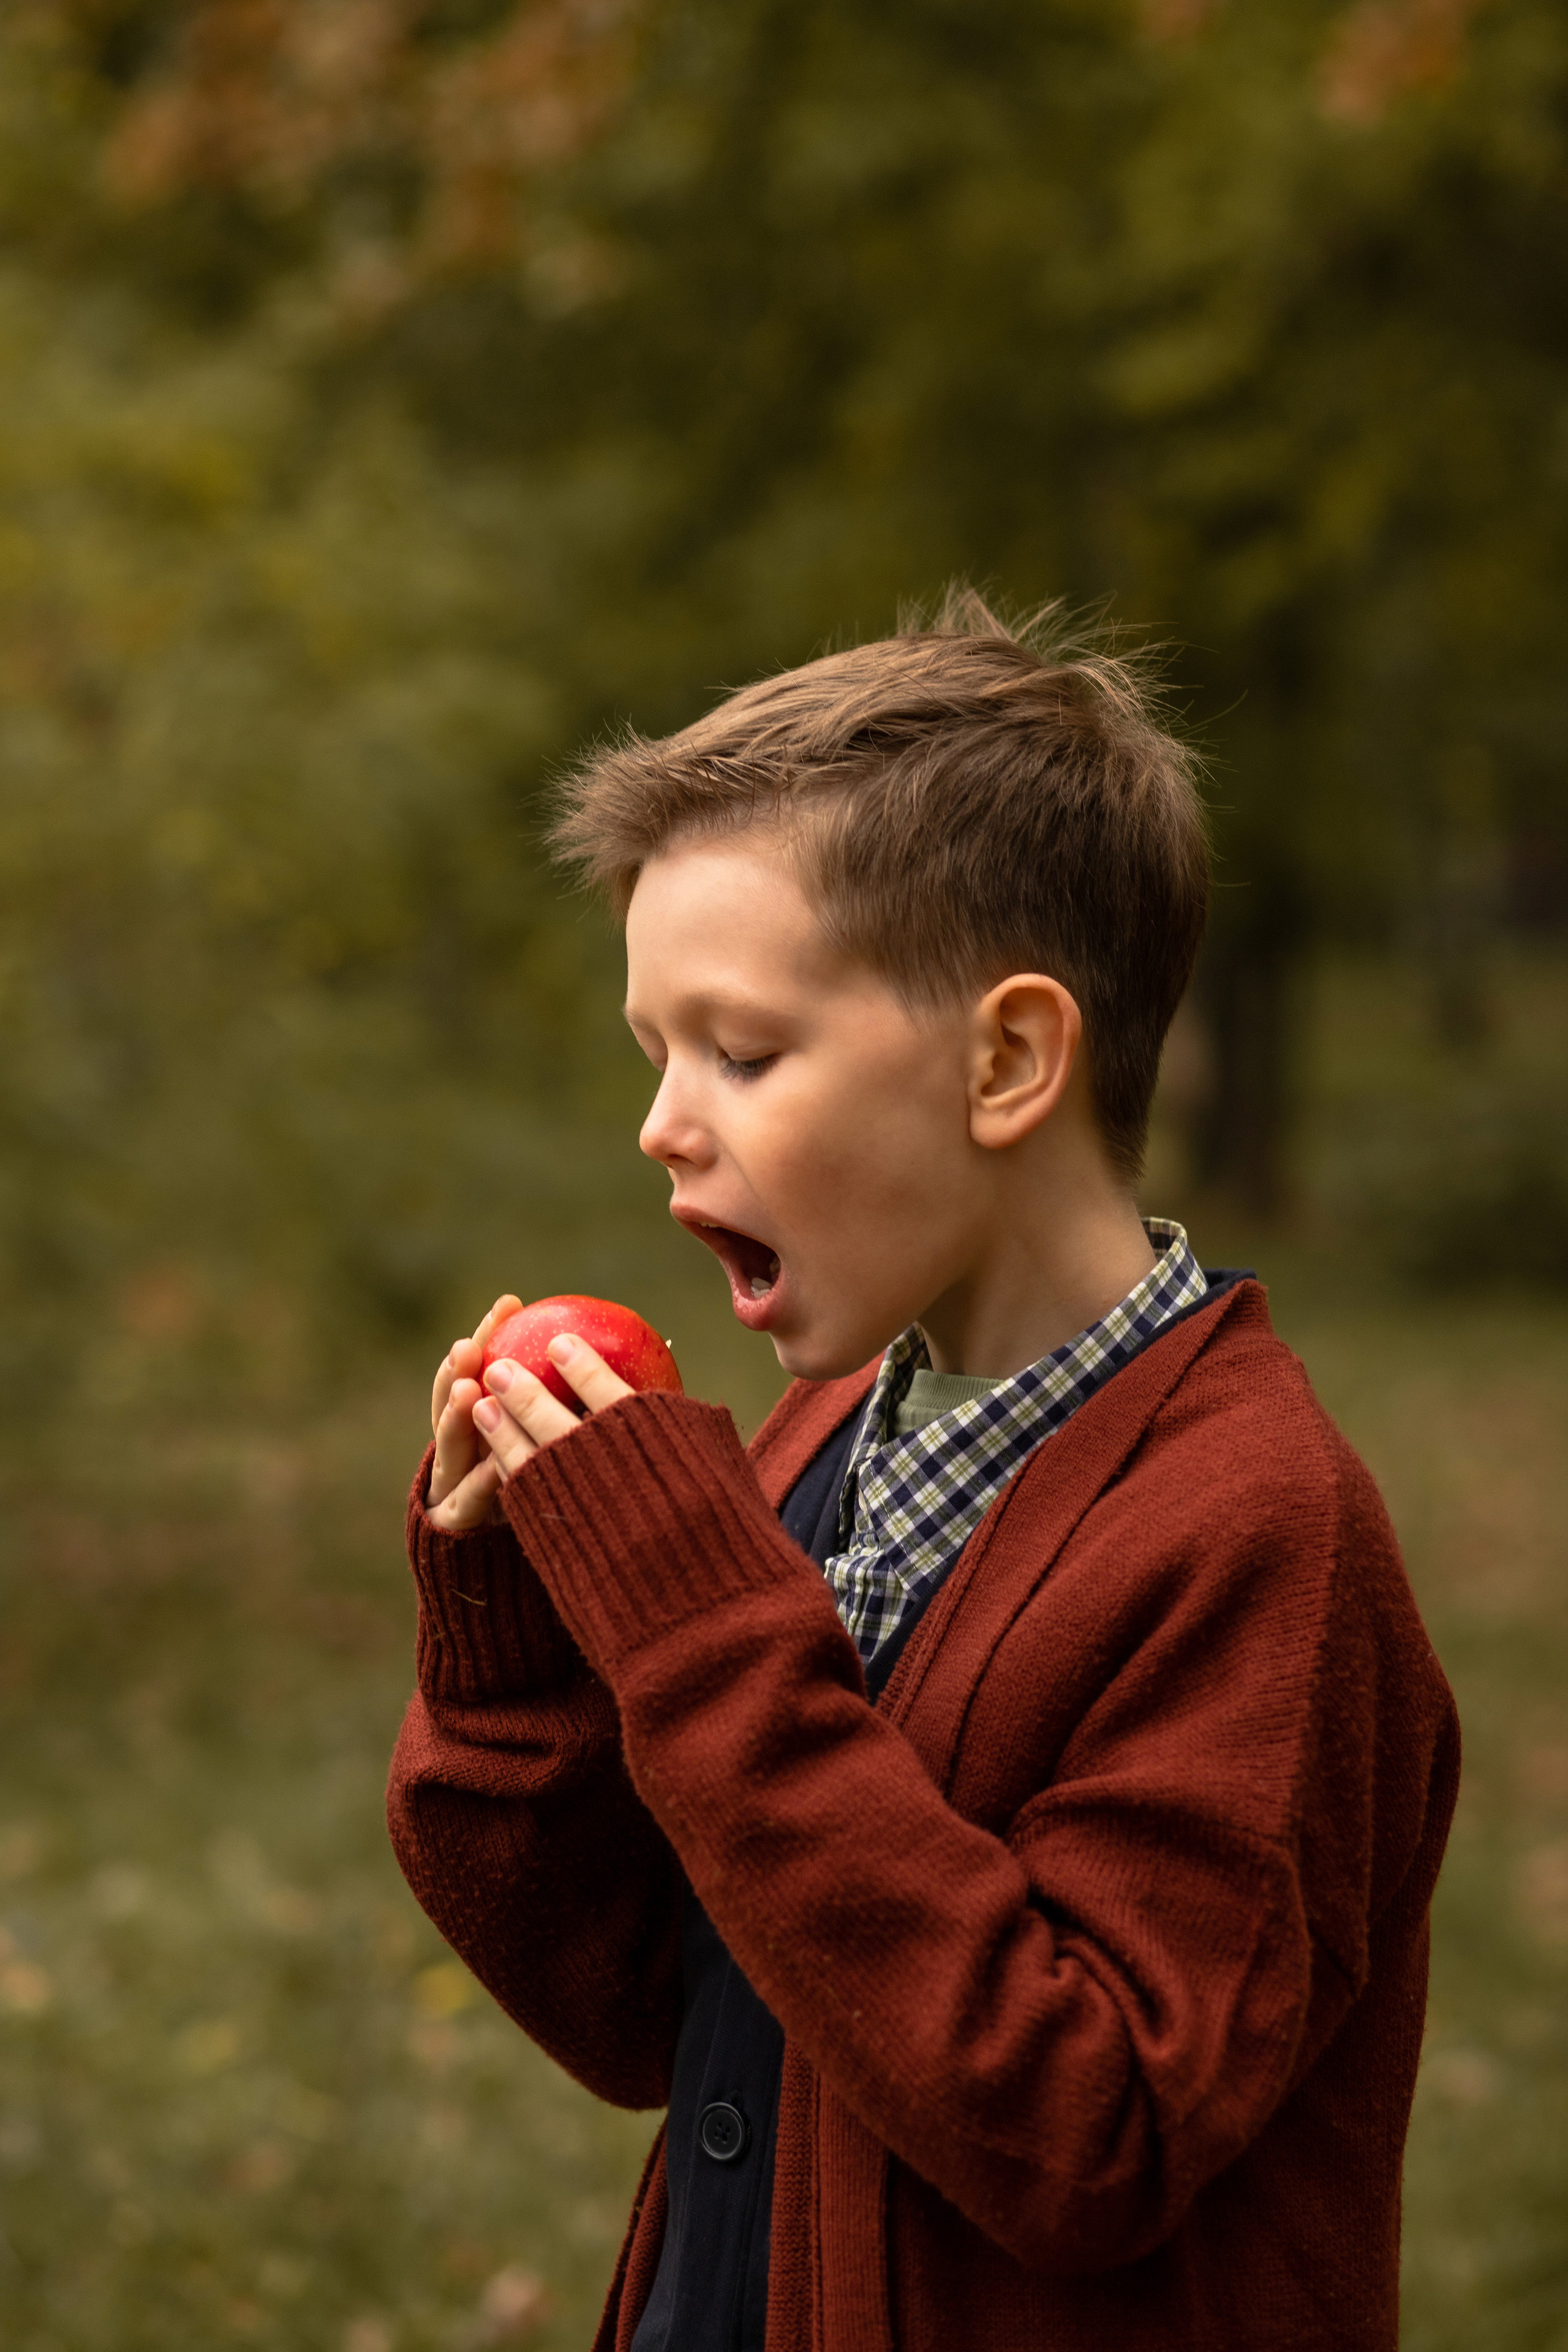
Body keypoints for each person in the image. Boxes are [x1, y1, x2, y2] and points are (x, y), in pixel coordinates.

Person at [387, 592, 1459, 2352]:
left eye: (743, 1050)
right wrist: (514, 1648)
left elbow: (1087, 2131)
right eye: (654, 1055)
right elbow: (648, 2009)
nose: (663, 1121)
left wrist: (704, 1640)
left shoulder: (1258, 1533)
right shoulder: (825, 1445)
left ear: (1010, 1060)